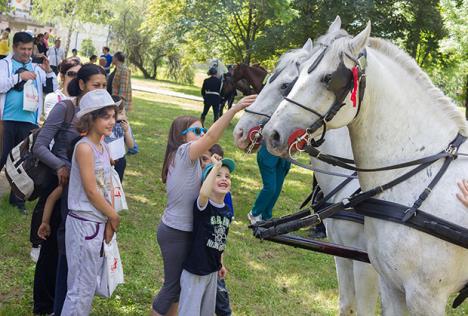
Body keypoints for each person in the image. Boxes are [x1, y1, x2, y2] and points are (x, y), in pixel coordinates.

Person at [152, 94, 256, 316]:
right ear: (181, 138)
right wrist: (234, 108)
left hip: (189, 231)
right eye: (195, 131)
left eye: (202, 130)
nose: (201, 135)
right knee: (171, 288)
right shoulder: (182, 153)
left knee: (178, 289)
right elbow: (211, 137)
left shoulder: (194, 163)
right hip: (176, 232)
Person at [33, 63, 107, 315]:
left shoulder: (101, 114)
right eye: (96, 85)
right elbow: (40, 145)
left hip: (83, 193)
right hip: (60, 184)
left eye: (104, 86)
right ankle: (44, 306)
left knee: (71, 255)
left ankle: (61, 304)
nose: (100, 90)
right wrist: (63, 167)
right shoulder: (65, 108)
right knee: (53, 250)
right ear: (83, 84)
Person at [61, 89, 120, 316]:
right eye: (105, 116)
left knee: (87, 286)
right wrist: (114, 216)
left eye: (113, 115)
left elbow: (105, 187)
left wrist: (108, 218)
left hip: (96, 222)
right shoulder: (84, 148)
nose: (111, 121)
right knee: (79, 289)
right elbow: (91, 191)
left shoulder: (103, 147)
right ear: (91, 118)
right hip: (84, 223)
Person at [29, 57, 82, 264]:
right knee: (45, 209)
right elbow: (45, 141)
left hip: (74, 177)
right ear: (63, 76)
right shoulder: (58, 102)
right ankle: (36, 244)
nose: (76, 79)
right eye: (72, 74)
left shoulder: (92, 111)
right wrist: (59, 164)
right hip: (56, 169)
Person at [0, 31, 58, 214]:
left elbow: (52, 90)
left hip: (29, 121)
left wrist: (49, 72)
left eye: (29, 49)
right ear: (14, 47)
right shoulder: (4, 64)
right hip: (6, 120)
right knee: (1, 157)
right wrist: (19, 77)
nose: (26, 53)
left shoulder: (37, 68)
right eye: (22, 49)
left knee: (24, 161)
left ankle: (17, 199)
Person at [178, 157, 235, 316]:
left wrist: (220, 264)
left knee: (206, 312)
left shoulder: (227, 211)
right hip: (195, 271)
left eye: (227, 176)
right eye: (218, 175)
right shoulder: (204, 205)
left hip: (212, 272)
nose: (224, 178)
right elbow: (204, 192)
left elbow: (221, 241)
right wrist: (215, 167)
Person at [248, 144, 291, 223]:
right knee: (270, 188)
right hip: (269, 152)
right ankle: (254, 213)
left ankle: (266, 215)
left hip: (285, 155)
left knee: (277, 189)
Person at [104, 96, 134, 181]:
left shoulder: (124, 125)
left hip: (120, 160)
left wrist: (127, 131)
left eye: (123, 113)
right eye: (120, 113)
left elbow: (131, 146)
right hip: (106, 160)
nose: (123, 116)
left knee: (117, 185)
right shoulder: (105, 125)